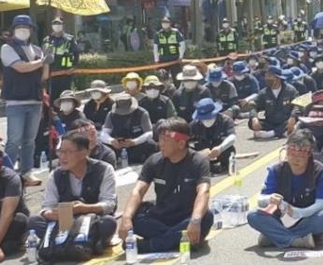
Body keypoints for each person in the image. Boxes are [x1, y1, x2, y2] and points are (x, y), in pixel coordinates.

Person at [118, 117, 214, 253]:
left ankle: (150, 246)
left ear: (181, 143)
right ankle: (178, 240)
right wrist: (126, 218)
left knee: (206, 217)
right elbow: (138, 191)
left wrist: (195, 220)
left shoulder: (198, 161)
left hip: (187, 217)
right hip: (162, 217)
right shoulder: (154, 161)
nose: (160, 144)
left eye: (165, 140)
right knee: (135, 215)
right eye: (159, 139)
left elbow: (203, 192)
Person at [28, 131, 118, 257]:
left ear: (84, 153)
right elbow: (47, 206)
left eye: (68, 152)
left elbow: (109, 204)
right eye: (60, 151)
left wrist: (82, 208)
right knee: (34, 221)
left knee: (108, 222)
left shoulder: (104, 169)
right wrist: (52, 214)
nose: (62, 157)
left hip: (91, 220)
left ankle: (79, 243)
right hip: (64, 221)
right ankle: (74, 244)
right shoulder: (56, 174)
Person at [246, 130, 323, 249]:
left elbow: (322, 204)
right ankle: (296, 240)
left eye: (300, 156)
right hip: (279, 218)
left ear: (309, 154)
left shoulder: (320, 171)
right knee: (253, 215)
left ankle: (275, 236)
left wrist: (299, 213)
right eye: (292, 155)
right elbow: (261, 200)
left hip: (306, 218)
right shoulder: (276, 170)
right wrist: (269, 199)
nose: (295, 159)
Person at [0, 15, 51, 186]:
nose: (23, 30)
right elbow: (20, 67)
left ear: (31, 30)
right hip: (15, 101)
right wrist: (42, 61)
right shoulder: (7, 48)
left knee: (30, 140)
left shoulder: (37, 50)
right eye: (19, 27)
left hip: (34, 100)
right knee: (14, 139)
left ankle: (26, 172)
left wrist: (47, 63)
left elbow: (44, 76)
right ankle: (6, 173)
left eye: (26, 27)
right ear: (13, 30)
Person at [100, 92, 157, 164]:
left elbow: (149, 133)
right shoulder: (111, 114)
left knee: (151, 144)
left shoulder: (142, 113)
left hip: (136, 144)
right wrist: (111, 141)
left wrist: (135, 142)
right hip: (118, 145)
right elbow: (104, 133)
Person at [248, 66, 300, 139]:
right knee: (251, 123)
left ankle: (271, 134)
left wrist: (293, 116)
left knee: (297, 121)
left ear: (277, 78)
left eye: (269, 76)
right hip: (270, 122)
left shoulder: (290, 90)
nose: (266, 79)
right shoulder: (264, 92)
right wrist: (254, 118)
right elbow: (254, 106)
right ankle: (281, 133)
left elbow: (297, 105)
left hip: (286, 122)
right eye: (266, 76)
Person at [189, 98, 236, 173]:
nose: (206, 120)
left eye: (209, 117)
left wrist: (220, 148)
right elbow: (184, 141)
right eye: (203, 118)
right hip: (202, 153)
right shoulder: (194, 125)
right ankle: (207, 167)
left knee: (229, 149)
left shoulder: (226, 120)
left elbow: (232, 137)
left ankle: (224, 166)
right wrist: (198, 153)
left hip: (219, 151)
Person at [42, 17, 80, 103]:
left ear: (63, 25)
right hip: (51, 75)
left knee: (65, 98)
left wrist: (74, 68)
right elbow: (43, 57)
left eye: (59, 24)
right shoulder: (47, 40)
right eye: (54, 24)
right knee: (51, 100)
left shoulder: (69, 39)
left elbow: (76, 54)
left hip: (65, 75)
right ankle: (52, 115)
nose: (56, 26)